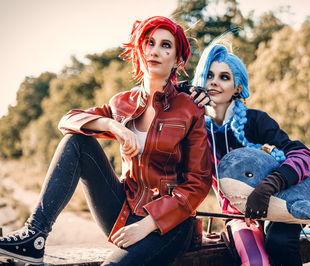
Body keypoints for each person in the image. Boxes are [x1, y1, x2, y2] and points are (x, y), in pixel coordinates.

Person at [0, 16, 212, 266]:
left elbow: (198, 183)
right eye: (149, 42)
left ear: (177, 59)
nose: (155, 51)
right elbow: (68, 119)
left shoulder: (189, 107)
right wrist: (112, 125)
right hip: (123, 209)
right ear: (140, 50)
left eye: (166, 45)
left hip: (168, 224)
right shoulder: (122, 103)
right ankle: (34, 236)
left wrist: (147, 225)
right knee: (76, 142)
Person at [189, 42, 310, 266]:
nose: (214, 82)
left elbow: (304, 156)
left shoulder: (257, 120)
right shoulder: (196, 128)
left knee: (279, 243)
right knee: (256, 260)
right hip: (239, 215)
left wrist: (270, 185)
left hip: (282, 200)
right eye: (209, 75)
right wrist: (181, 96)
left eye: (224, 77)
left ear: (238, 87)